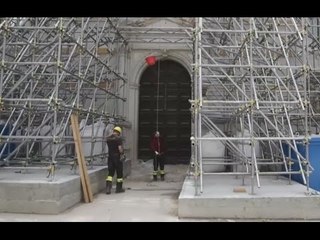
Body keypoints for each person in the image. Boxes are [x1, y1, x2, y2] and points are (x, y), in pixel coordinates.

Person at [105, 126, 125, 194]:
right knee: (119, 173)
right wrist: (122, 153)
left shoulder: (108, 139)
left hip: (110, 157)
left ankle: (108, 188)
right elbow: (120, 148)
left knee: (110, 173)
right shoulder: (118, 139)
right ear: (119, 132)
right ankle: (119, 188)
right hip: (117, 158)